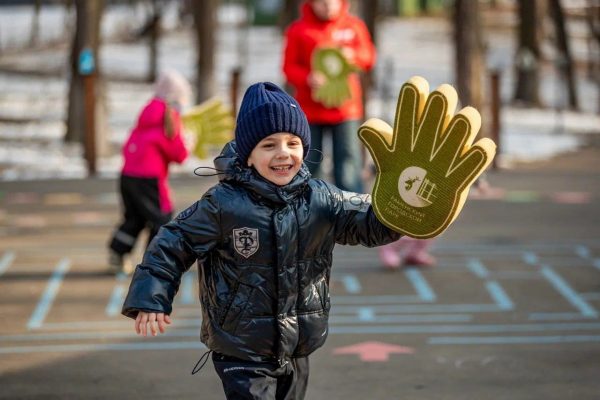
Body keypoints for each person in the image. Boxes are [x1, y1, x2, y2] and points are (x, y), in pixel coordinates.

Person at [121, 82, 400, 399]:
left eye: (292, 143)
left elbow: (367, 223)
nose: (283, 153)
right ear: (249, 155)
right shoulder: (224, 204)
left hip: (298, 343)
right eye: (269, 145)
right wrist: (151, 296)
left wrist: (407, 212)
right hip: (241, 346)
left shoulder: (321, 198)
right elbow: (173, 241)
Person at [282, 0, 376, 193]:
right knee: (310, 162)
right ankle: (311, 207)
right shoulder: (298, 29)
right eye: (322, 3)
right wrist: (307, 78)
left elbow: (368, 56)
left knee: (349, 161)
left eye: (332, 2)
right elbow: (288, 67)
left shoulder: (353, 26)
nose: (328, 6)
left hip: (345, 109)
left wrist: (353, 56)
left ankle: (352, 209)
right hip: (310, 110)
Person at [108, 69, 192, 275]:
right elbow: (178, 153)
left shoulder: (148, 112)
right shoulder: (168, 116)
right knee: (161, 218)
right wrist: (190, 141)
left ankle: (118, 252)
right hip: (148, 178)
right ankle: (154, 260)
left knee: (135, 217)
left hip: (128, 174)